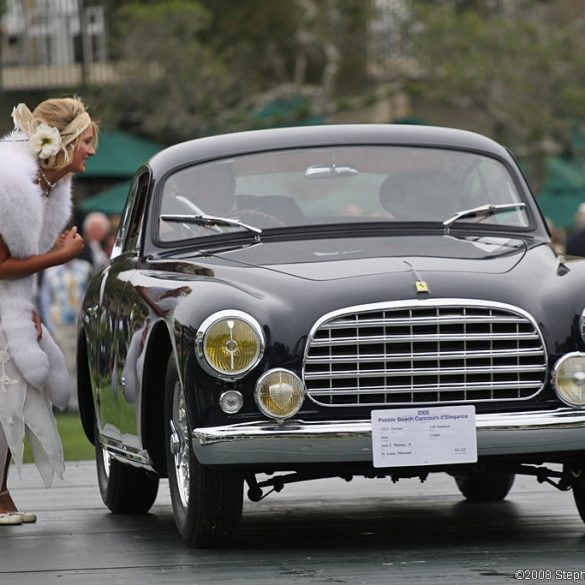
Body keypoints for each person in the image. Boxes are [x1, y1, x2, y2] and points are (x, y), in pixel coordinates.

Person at [0, 97, 98, 526]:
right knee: (6, 398)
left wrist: (28, 308)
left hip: (12, 306)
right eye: (88, 141)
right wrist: (62, 257)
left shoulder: (49, 187)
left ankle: (1, 496)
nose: (93, 151)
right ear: (68, 140)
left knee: (13, 400)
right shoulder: (12, 187)